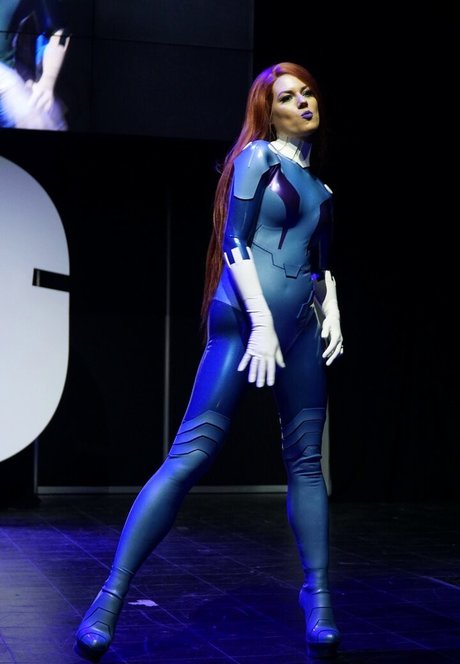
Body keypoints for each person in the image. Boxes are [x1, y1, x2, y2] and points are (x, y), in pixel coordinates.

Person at [75, 61, 344, 661]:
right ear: (267, 111)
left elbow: (320, 265)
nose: (303, 102)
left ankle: (320, 597)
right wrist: (261, 323)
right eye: (288, 97)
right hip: (242, 322)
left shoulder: (323, 191)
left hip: (302, 330)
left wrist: (333, 308)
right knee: (189, 457)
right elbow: (235, 241)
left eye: (308, 93)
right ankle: (109, 598)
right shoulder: (257, 159)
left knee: (306, 463)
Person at [0, 0, 70, 130]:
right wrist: (11, 84)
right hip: (6, 79)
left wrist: (47, 82)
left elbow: (60, 33)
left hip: (12, 71)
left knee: (51, 120)